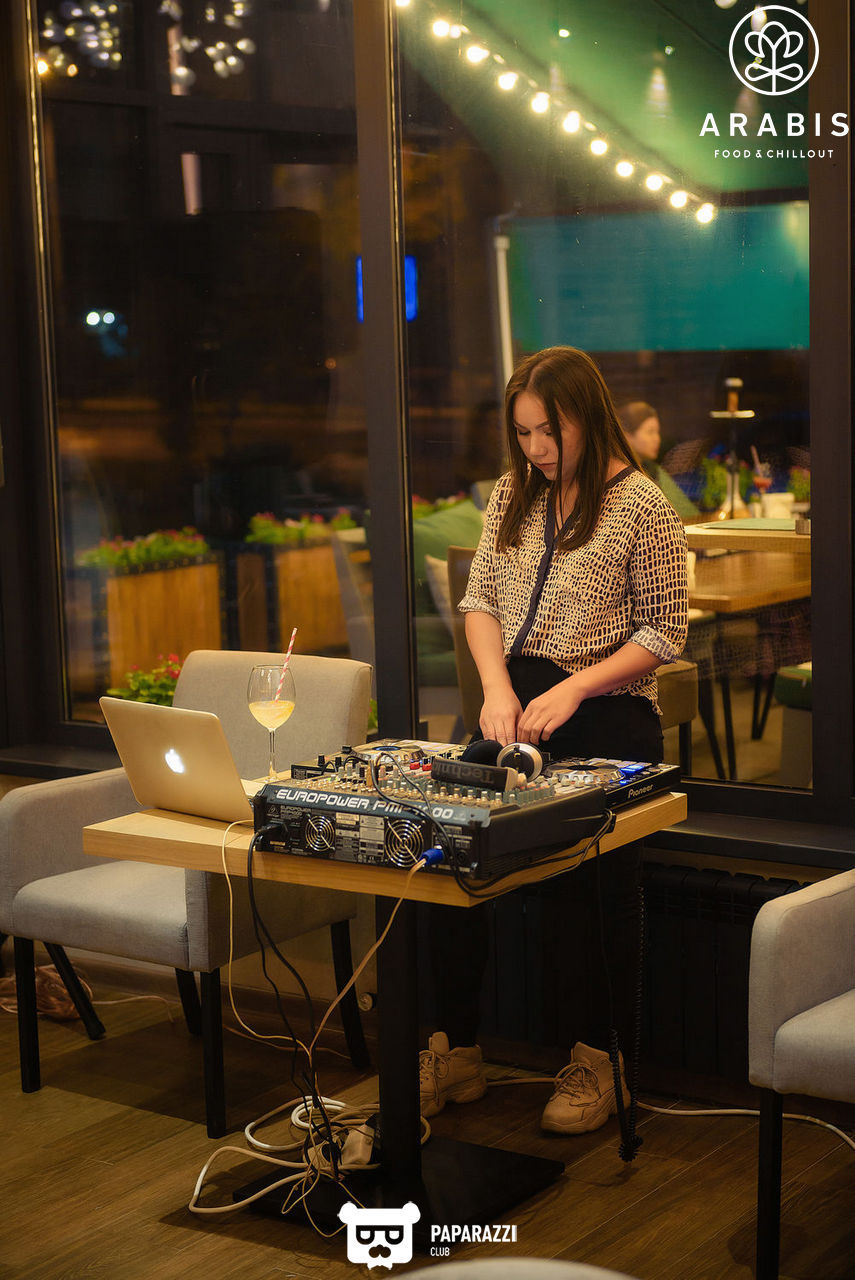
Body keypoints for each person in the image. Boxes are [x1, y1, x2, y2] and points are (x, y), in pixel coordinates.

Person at [421, 347, 688, 1136]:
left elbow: (664, 631)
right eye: (523, 432)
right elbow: (478, 601)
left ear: (588, 417)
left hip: (606, 714)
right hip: (513, 711)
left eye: (549, 431)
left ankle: (598, 1062)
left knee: (593, 893)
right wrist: (496, 688)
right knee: (443, 858)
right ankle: (454, 1050)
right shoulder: (514, 493)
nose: (535, 448)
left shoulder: (641, 504)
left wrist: (575, 686)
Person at [617, 400, 700, 522]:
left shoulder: (652, 469)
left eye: (657, 432)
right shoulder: (620, 473)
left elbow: (687, 514)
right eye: (650, 432)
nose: (657, 439)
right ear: (627, 436)